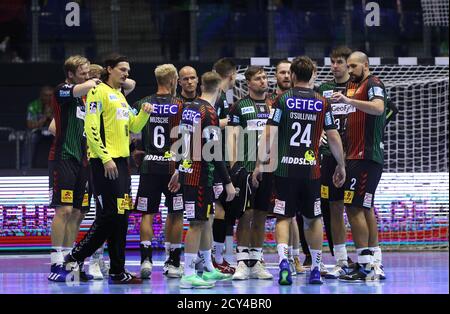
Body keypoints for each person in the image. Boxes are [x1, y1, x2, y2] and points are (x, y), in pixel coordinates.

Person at [253, 56, 346, 285]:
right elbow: (333, 136)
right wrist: (341, 164)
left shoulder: (282, 100)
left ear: (293, 75)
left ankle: (284, 261)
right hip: (311, 171)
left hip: (285, 170)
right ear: (312, 75)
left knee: (284, 216)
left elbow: (269, 133)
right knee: (313, 219)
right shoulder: (322, 102)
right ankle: (315, 267)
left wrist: (258, 163)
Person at [62, 54, 153, 284]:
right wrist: (104, 158)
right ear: (109, 69)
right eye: (122, 69)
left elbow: (134, 126)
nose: (126, 74)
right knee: (109, 216)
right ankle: (74, 256)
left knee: (121, 217)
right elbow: (91, 128)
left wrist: (144, 113)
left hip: (122, 164)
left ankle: (117, 271)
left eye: (128, 70)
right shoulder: (97, 92)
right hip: (105, 163)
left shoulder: (120, 96)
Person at [169, 71, 236, 289]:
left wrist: (179, 169)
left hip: (191, 172)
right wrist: (227, 181)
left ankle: (208, 267)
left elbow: (182, 141)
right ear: (219, 88)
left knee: (206, 220)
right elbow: (214, 150)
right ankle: (188, 274)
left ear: (200, 85)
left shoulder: (190, 108)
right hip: (200, 176)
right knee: (197, 223)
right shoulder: (209, 112)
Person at [330, 51, 387, 282]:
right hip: (355, 157)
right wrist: (342, 161)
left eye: (353, 66)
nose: (349, 70)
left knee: (354, 207)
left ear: (365, 65)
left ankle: (365, 266)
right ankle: (373, 262)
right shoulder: (355, 86)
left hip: (366, 157)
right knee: (364, 208)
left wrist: (348, 101)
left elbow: (379, 108)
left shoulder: (373, 83)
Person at [47, 55, 101, 282]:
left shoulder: (85, 98)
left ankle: (70, 261)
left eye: (89, 72)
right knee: (64, 210)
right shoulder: (63, 90)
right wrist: (94, 82)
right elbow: (83, 87)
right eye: (83, 73)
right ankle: (55, 263)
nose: (87, 76)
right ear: (70, 75)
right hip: (63, 158)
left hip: (83, 161)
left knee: (78, 213)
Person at [131, 64, 184, 279]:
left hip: (149, 166)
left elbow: (132, 132)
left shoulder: (142, 103)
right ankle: (173, 263)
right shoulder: (181, 105)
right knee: (176, 212)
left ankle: (146, 260)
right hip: (173, 167)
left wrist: (136, 150)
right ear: (172, 80)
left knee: (148, 213)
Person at [227, 66, 274, 281]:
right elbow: (232, 137)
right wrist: (234, 166)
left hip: (268, 169)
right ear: (248, 83)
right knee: (245, 215)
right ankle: (241, 262)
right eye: (258, 78)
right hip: (245, 169)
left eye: (264, 77)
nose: (263, 81)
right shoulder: (239, 106)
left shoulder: (274, 105)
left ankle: (256, 261)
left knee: (261, 215)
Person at [316, 46, 356, 279]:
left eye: (339, 61)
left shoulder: (358, 87)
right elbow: (317, 117)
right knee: (334, 207)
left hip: (354, 155)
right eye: (332, 62)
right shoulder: (324, 89)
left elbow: (386, 111)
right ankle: (340, 259)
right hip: (329, 155)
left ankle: (366, 259)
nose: (335, 66)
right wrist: (318, 131)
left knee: (357, 207)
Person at [270, 59, 307, 276]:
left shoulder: (304, 98)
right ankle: (254, 258)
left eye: (288, 72)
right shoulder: (272, 101)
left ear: (293, 75)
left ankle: (295, 258)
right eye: (281, 72)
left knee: (292, 215)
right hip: (274, 164)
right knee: (280, 214)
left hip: (302, 164)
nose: (285, 76)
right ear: (276, 76)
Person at [208, 58, 237, 275]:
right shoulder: (214, 96)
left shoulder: (222, 97)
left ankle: (214, 258)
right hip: (210, 160)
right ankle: (213, 259)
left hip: (216, 158)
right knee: (213, 212)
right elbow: (208, 123)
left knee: (218, 211)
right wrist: (232, 122)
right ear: (233, 75)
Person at [26, 86, 54, 168]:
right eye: (46, 95)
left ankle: (61, 167)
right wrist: (45, 117)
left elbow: (62, 124)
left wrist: (51, 117)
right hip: (38, 131)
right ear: (41, 95)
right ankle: (26, 167)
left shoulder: (59, 104)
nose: (48, 98)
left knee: (64, 137)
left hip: (54, 131)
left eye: (50, 95)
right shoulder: (33, 105)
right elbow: (29, 125)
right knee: (30, 137)